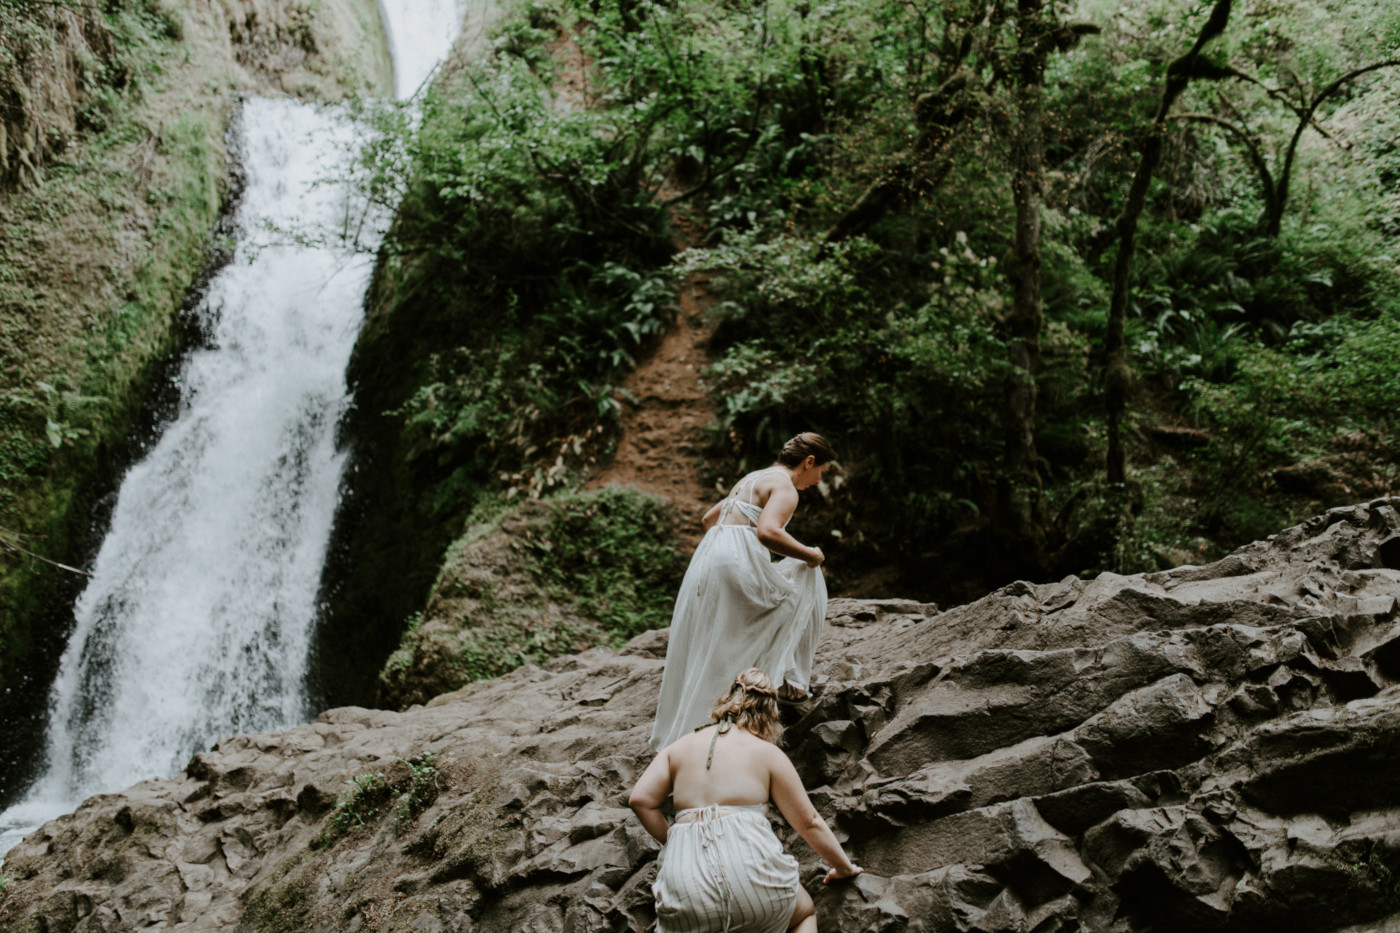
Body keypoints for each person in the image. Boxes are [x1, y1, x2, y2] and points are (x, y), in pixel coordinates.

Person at [630, 669, 863, 933]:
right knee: (803, 914)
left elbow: (640, 800)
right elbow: (808, 821)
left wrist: (673, 839)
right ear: (769, 713)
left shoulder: (680, 746)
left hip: (686, 886)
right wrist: (843, 867)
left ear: (726, 699)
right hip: (755, 882)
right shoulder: (767, 753)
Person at [649, 433, 835, 751]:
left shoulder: (755, 477)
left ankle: (693, 732)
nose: (818, 480)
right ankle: (790, 682)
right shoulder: (787, 488)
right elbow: (767, 531)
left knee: (717, 640)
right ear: (809, 462)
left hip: (709, 557)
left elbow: (709, 519)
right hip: (734, 562)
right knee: (807, 575)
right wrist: (810, 554)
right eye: (822, 472)